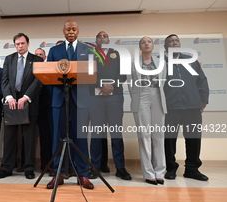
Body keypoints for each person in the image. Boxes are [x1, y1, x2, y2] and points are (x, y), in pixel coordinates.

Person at [46, 19, 94, 189]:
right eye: (68, 29)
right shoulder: (54, 50)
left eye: (74, 29)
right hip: (59, 100)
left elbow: (92, 73)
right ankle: (57, 174)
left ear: (78, 31)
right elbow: (48, 74)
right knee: (58, 139)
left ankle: (83, 175)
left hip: (80, 101)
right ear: (63, 31)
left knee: (80, 138)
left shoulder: (87, 50)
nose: (71, 32)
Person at [0, 33, 43, 180]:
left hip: (29, 103)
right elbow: (5, 80)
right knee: (9, 137)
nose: (20, 46)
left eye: (22, 43)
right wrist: (9, 97)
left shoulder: (37, 59)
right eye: (17, 44)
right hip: (11, 103)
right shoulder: (9, 59)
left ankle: (28, 167)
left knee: (29, 138)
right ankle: (7, 167)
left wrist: (26, 97)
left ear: (28, 44)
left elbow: (38, 81)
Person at [163, 34, 209, 181]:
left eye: (176, 40)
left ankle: (192, 169)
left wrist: (203, 101)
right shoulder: (161, 64)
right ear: (166, 46)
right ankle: (170, 169)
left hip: (192, 107)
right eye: (170, 41)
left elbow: (202, 81)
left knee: (193, 139)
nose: (174, 43)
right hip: (171, 108)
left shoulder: (191, 61)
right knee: (169, 141)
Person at [88, 31, 131, 181]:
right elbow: (88, 75)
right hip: (96, 98)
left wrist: (110, 85)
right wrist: (101, 85)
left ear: (109, 40)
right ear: (96, 40)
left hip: (115, 97)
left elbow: (123, 75)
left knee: (116, 134)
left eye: (105, 36)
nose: (102, 38)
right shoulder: (90, 55)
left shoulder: (117, 54)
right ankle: (95, 167)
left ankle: (120, 168)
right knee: (96, 134)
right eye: (99, 36)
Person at [129, 36, 167, 185]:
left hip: (157, 95)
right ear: (140, 47)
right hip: (141, 95)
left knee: (158, 135)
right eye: (143, 42)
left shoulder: (161, 63)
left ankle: (159, 171)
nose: (146, 44)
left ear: (153, 46)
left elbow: (164, 83)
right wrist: (137, 98)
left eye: (149, 42)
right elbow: (131, 85)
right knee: (144, 135)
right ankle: (148, 173)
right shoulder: (133, 64)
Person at [34, 48, 53, 172]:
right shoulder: (31, 69)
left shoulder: (50, 69)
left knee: (51, 135)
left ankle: (52, 162)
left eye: (41, 54)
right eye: (37, 55)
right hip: (36, 106)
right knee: (42, 136)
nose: (39, 56)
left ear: (45, 57)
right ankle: (44, 162)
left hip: (50, 106)